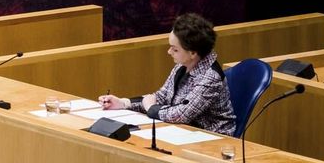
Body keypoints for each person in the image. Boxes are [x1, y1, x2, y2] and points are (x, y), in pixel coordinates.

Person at [98, 13, 236, 135]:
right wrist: (123, 103)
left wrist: (151, 108)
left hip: (213, 138)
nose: (169, 52)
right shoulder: (181, 66)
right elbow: (161, 97)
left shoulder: (210, 77)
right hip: (185, 131)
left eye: (175, 49)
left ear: (193, 53)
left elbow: (181, 114)